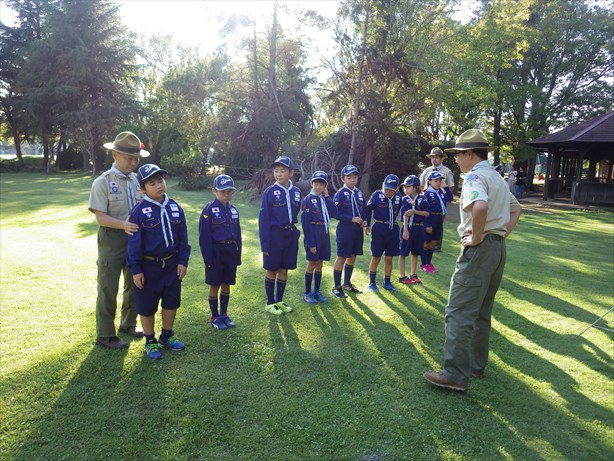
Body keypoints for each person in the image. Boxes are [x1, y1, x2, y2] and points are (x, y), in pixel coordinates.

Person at [423, 129, 521, 392]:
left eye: (458, 154)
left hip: (479, 252)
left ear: (469, 154)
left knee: (458, 312)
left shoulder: (474, 177)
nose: (456, 160)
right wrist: (498, 236)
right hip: (497, 250)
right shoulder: (497, 178)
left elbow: (479, 207)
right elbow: (516, 208)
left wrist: (478, 238)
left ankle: (455, 374)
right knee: (481, 313)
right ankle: (476, 366)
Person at [88, 131, 149, 349]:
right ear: (115, 155)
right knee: (108, 287)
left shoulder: (136, 181)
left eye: (136, 159)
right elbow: (99, 216)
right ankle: (105, 335)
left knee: (135, 284)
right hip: (112, 240)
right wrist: (122, 224)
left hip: (134, 239)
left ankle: (128, 324)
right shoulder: (103, 182)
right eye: (128, 158)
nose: (133, 163)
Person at [126, 164, 191, 360]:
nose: (159, 186)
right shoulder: (138, 211)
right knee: (147, 305)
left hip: (171, 264)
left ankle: (167, 335)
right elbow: (134, 243)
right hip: (148, 266)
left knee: (171, 301)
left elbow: (182, 237)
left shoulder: (175, 207)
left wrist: (183, 261)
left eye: (160, 181)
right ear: (142, 189)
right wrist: (136, 269)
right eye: (152, 183)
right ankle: (150, 341)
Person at [259, 156, 302, 315]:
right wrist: (265, 244)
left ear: (291, 173)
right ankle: (270, 303)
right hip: (274, 235)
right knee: (272, 269)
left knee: (284, 269)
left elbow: (296, 212)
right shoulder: (269, 192)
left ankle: (279, 300)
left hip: (290, 235)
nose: (278, 174)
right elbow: (263, 220)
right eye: (276, 171)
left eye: (282, 171)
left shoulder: (296, 192)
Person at [199, 174, 242, 330]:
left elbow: (238, 234)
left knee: (226, 283)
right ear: (214, 191)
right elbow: (204, 237)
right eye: (222, 191)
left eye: (229, 191)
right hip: (215, 253)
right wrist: (208, 259)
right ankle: (214, 316)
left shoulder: (234, 210)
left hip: (230, 252)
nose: (226, 195)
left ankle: (224, 314)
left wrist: (238, 255)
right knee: (214, 284)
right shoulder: (208, 210)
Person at [330, 165, 369, 298]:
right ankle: (336, 286)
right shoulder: (340, 194)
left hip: (357, 231)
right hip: (345, 231)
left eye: (355, 177)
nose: (352, 180)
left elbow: (365, 210)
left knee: (352, 257)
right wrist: (351, 218)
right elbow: (335, 213)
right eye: (349, 177)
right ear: (343, 179)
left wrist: (365, 220)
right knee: (342, 257)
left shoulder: (359, 193)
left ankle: (346, 283)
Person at [300, 171, 337, 304]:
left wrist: (327, 197)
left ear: (325, 186)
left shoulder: (324, 199)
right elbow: (305, 224)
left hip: (324, 234)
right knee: (312, 263)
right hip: (313, 234)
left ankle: (317, 291)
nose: (318, 187)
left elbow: (334, 212)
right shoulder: (308, 200)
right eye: (316, 184)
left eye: (321, 184)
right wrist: (311, 243)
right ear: (311, 184)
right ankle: (307, 292)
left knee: (320, 264)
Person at [365, 174, 403, 292]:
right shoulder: (377, 195)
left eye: (391, 190)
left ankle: (387, 282)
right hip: (379, 228)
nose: (388, 192)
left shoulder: (398, 197)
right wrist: (368, 224)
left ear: (396, 189)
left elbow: (402, 209)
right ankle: (372, 282)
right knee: (376, 256)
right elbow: (368, 208)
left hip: (393, 229)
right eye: (386, 189)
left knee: (389, 258)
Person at [420, 147, 455, 252]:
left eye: (436, 157)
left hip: (440, 202)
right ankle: (425, 244)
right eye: (432, 157)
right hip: (428, 202)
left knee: (439, 223)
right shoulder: (427, 171)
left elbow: (451, 186)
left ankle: (436, 246)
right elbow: (421, 184)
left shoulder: (446, 171)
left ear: (441, 159)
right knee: (426, 222)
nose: (434, 159)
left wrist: (443, 194)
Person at [398, 175, 430, 286]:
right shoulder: (404, 199)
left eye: (408, 186)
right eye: (404, 187)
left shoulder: (422, 198)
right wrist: (405, 230)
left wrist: (414, 211)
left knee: (416, 252)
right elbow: (404, 215)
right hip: (408, 227)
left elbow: (426, 213)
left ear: (415, 187)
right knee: (403, 252)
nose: (405, 189)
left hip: (419, 228)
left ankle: (413, 274)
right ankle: (402, 276)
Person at [421, 171, 453, 273]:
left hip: (439, 219)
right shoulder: (427, 194)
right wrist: (428, 224)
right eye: (435, 180)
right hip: (431, 219)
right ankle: (424, 264)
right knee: (426, 243)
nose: (438, 183)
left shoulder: (440, 192)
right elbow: (425, 210)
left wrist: (446, 187)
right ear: (429, 181)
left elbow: (450, 198)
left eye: (440, 180)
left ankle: (429, 263)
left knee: (434, 242)